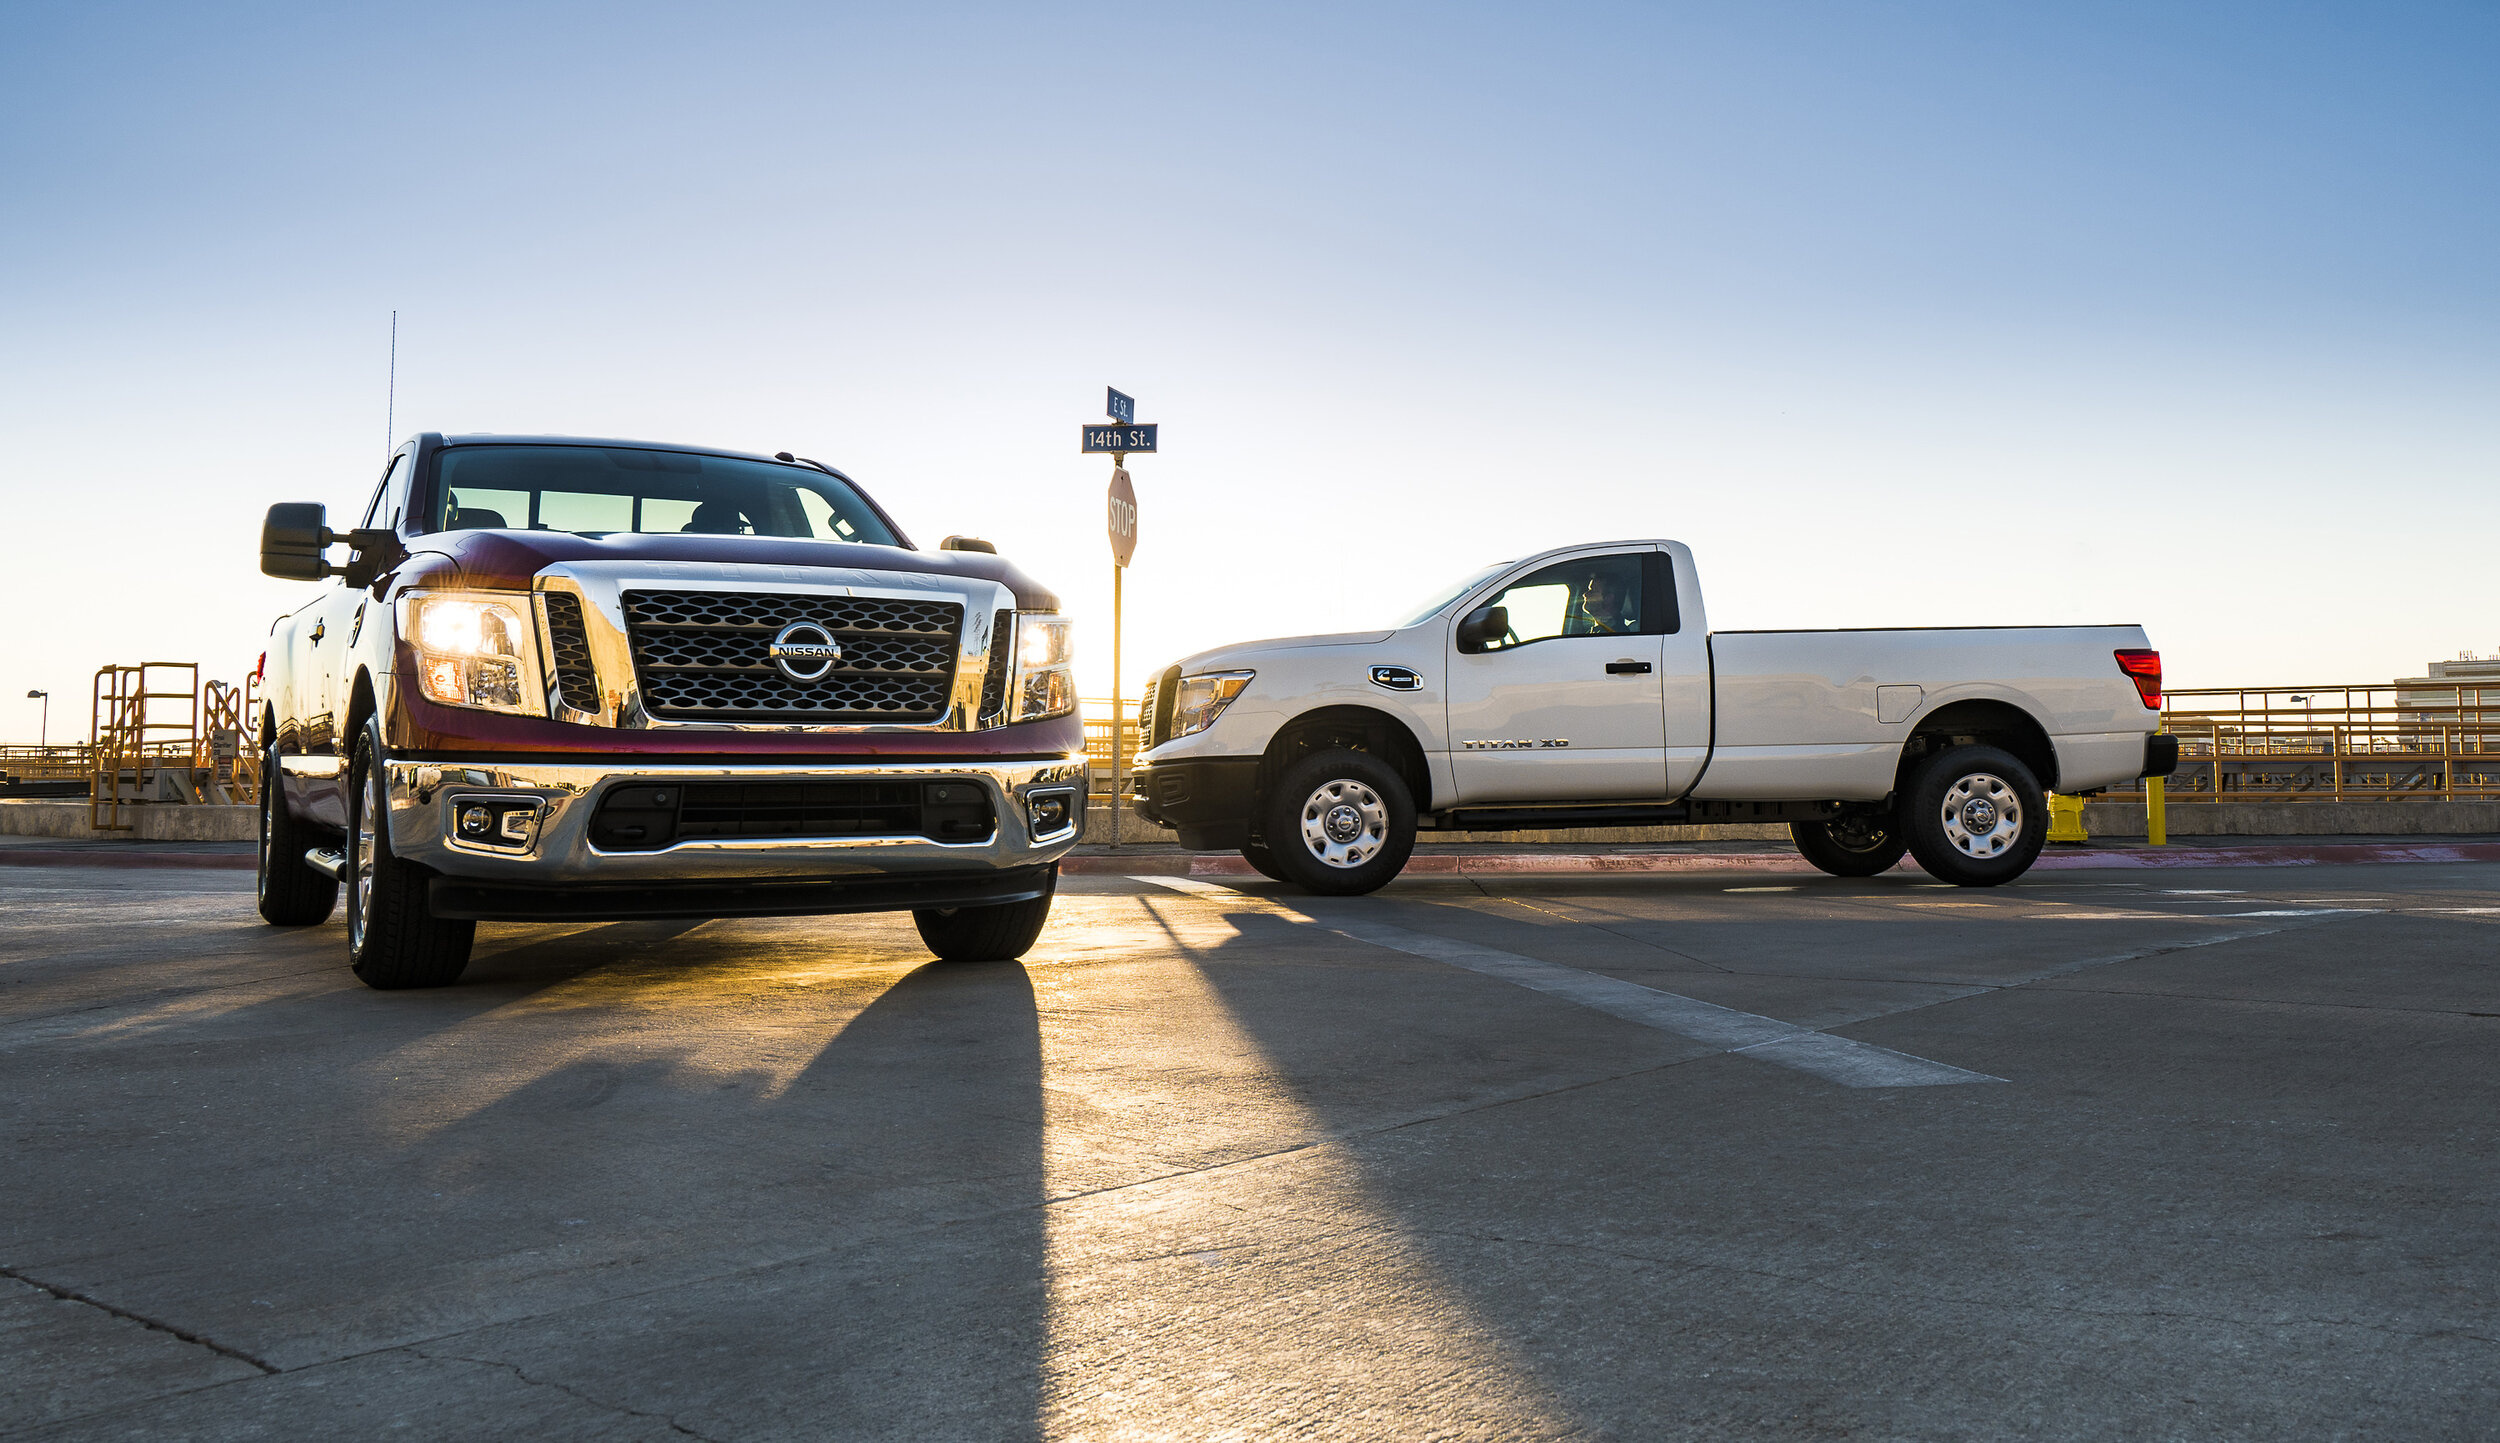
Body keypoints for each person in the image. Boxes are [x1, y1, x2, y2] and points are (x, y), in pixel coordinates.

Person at [1564, 566, 1639, 636]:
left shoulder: (1614, 635)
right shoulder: (1600, 631)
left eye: (1593, 591)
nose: (1585, 594)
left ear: (1608, 599)